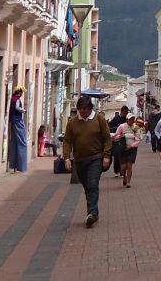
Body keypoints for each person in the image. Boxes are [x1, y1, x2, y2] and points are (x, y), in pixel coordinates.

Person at [62, 95, 113, 228]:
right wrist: (67, 158)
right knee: (86, 186)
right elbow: (67, 141)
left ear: (90, 108)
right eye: (80, 108)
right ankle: (92, 210)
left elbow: (107, 139)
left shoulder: (99, 120)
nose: (82, 111)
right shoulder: (72, 123)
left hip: (96, 157)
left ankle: (92, 213)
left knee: (92, 183)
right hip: (80, 160)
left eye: (84, 108)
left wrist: (106, 156)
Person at [111, 113, 142, 188]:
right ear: (127, 120)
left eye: (133, 119)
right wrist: (121, 136)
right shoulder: (122, 126)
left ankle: (128, 182)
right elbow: (116, 136)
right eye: (130, 119)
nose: (132, 120)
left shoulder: (136, 127)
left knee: (129, 165)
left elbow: (138, 139)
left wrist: (131, 146)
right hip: (123, 149)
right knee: (123, 167)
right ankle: (124, 176)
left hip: (132, 149)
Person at [8, 86, 29, 173]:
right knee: (23, 142)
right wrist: (23, 110)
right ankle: (21, 166)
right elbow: (17, 108)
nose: (21, 95)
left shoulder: (12, 98)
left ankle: (14, 165)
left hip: (13, 120)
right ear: (19, 93)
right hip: (17, 120)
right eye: (21, 93)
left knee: (14, 142)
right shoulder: (16, 99)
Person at [110, 106, 129, 177]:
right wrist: (117, 129)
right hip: (117, 140)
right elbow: (111, 127)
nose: (125, 114)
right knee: (117, 156)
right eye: (125, 113)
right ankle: (116, 171)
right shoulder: (116, 118)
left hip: (125, 139)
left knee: (123, 156)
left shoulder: (126, 119)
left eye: (127, 113)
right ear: (122, 112)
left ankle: (122, 172)